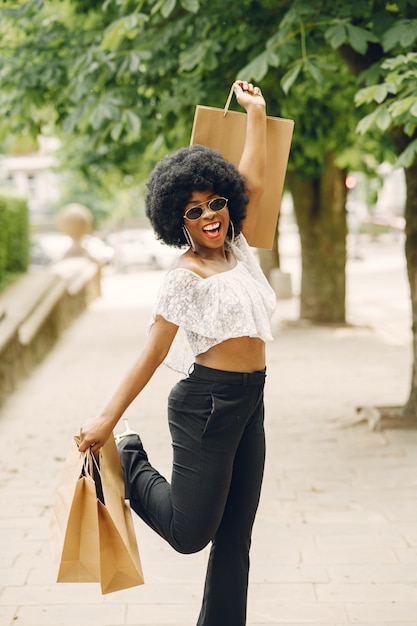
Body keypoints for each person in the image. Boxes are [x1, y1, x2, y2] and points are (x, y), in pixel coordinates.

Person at [78, 80, 276, 626]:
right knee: (192, 535)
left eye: (216, 203)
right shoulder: (183, 277)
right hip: (206, 406)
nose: (209, 216)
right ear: (177, 222)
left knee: (236, 535)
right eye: (193, 211)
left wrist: (256, 115)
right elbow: (151, 352)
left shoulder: (238, 246)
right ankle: (130, 457)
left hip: (250, 401)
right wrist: (105, 420)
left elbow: (254, 182)